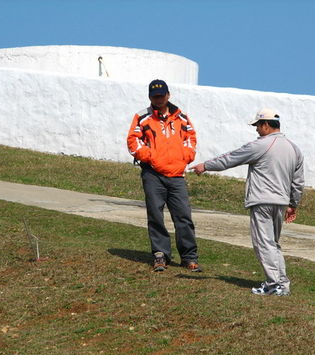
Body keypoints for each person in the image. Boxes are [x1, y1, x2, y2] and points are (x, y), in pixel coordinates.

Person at [190, 108, 304, 295]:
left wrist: (205, 165)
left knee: (263, 243)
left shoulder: (261, 145)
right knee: (273, 243)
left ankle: (274, 284)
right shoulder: (294, 149)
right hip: (281, 202)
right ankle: (282, 284)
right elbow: (298, 181)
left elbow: (231, 158)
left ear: (266, 125)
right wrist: (293, 204)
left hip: (262, 200)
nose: (256, 130)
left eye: (258, 126)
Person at [127, 79, 201, 272]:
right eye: (155, 96)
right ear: (150, 97)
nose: (158, 99)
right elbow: (133, 141)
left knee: (184, 217)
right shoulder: (142, 117)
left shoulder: (181, 117)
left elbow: (191, 138)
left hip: (177, 175)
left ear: (168, 95)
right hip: (153, 174)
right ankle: (160, 255)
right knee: (155, 215)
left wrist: (186, 157)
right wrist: (149, 156)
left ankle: (189, 257)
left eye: (161, 95)